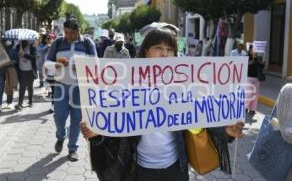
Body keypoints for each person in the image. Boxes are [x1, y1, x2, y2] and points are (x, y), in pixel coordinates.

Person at [81, 27, 244, 181]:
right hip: (138, 169)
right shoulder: (128, 84)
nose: (165, 54)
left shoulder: (185, 85)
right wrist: (98, 131)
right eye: (158, 48)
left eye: (170, 49)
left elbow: (203, 116)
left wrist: (227, 131)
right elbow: (115, 121)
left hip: (175, 169)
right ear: (146, 52)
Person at [44, 17, 97, 162]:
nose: (67, 36)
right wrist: (56, 65)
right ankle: (60, 136)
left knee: (76, 119)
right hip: (61, 86)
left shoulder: (87, 43)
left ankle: (72, 149)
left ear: (78, 31)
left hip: (80, 88)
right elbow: (47, 63)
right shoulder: (58, 42)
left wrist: (83, 67)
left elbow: (95, 64)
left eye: (70, 33)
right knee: (59, 116)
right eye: (65, 32)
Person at [0, 40, 18, 112]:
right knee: (0, 88)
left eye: (8, 40)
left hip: (9, 71)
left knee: (9, 87)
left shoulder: (13, 49)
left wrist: (11, 62)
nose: (5, 42)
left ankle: (9, 103)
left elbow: (16, 60)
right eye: (4, 41)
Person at [15, 40, 38, 110]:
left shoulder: (32, 48)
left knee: (30, 87)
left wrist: (25, 55)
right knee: (22, 87)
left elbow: (35, 57)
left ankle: (30, 101)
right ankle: (20, 103)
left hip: (30, 71)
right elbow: (16, 56)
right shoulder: (18, 47)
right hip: (21, 71)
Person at [245, 45, 265, 115]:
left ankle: (252, 109)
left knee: (255, 94)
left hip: (257, 78)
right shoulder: (246, 56)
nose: (254, 51)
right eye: (252, 49)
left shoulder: (259, 57)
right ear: (249, 50)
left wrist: (262, 63)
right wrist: (249, 63)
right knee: (249, 93)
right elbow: (243, 65)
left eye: (255, 50)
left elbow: (262, 66)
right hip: (249, 77)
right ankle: (245, 107)